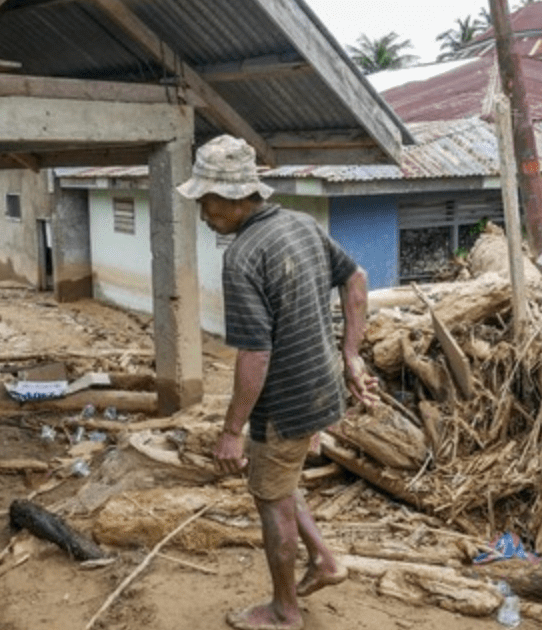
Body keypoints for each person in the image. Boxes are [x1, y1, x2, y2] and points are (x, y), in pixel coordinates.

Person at [176, 135, 379, 630]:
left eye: (205, 202)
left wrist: (230, 431)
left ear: (234, 197)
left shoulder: (244, 255)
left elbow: (256, 355)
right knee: (280, 481)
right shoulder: (302, 225)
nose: (203, 214)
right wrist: (349, 356)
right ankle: (326, 562)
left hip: (284, 403)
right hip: (322, 388)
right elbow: (357, 280)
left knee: (270, 499)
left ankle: (285, 611)